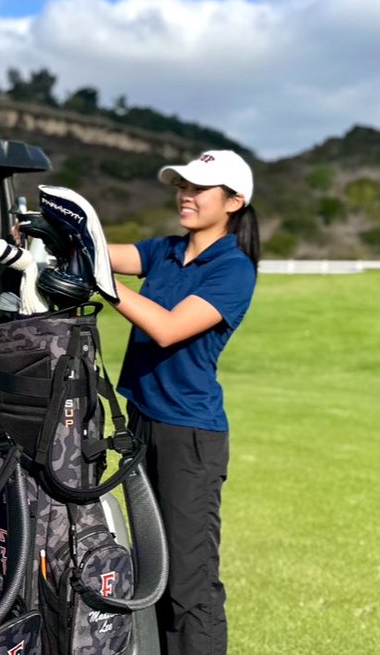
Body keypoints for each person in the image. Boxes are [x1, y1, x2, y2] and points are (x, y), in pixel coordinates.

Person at [107, 150, 259, 655]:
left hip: (189, 438)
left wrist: (101, 286)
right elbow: (108, 253)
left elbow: (169, 329)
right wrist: (55, 232)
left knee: (190, 584)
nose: (186, 195)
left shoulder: (233, 270)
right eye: (182, 186)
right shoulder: (168, 250)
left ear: (234, 202)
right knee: (153, 567)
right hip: (144, 421)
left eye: (200, 188)